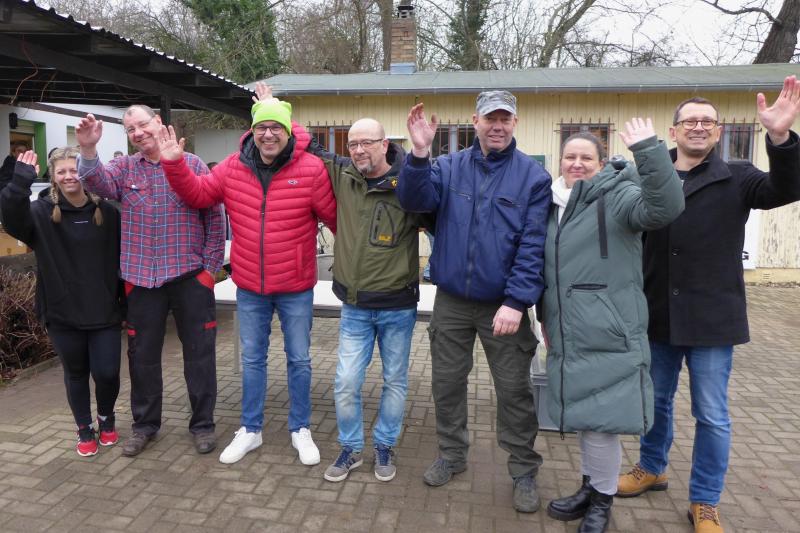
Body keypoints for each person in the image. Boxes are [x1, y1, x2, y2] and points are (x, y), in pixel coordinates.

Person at [617, 76, 800, 533]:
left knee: (712, 416)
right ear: (673, 131)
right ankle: (651, 467)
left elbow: (785, 188)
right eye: (689, 121)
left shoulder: (738, 176)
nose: (698, 127)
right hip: (657, 312)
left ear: (717, 132)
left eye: (707, 122)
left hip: (713, 320)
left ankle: (705, 501)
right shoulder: (648, 174)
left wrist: (780, 138)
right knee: (655, 403)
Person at [156, 97, 337, 466]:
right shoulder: (232, 167)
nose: (268, 134)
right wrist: (174, 163)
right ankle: (251, 429)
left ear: (288, 131)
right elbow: (198, 194)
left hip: (295, 286)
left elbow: (336, 220)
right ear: (252, 131)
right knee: (253, 360)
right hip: (251, 285)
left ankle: (300, 428)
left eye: (276, 127)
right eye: (261, 127)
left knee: (299, 359)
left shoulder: (312, 169)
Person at [396, 90, 551, 512]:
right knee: (447, 383)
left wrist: (517, 302)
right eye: (490, 118)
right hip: (452, 302)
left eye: (505, 119)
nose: (497, 126)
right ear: (475, 121)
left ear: (515, 123)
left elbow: (533, 246)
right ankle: (451, 454)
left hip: (504, 305)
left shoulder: (532, 178)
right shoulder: (447, 167)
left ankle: (523, 470)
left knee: (514, 390)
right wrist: (419, 153)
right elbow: (413, 201)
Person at [541, 124, 684, 532]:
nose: (577, 164)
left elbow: (664, 207)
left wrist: (648, 150)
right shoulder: (553, 202)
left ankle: (603, 502)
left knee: (602, 423)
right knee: (586, 418)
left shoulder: (619, 196)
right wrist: (544, 316)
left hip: (609, 330)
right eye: (570, 157)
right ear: (560, 162)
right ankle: (591, 488)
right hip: (568, 329)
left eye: (586, 157)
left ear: (602, 164)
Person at [75, 106, 225, 457]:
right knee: (142, 358)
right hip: (142, 280)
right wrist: (87, 148)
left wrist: (209, 271)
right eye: (131, 129)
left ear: (159, 123)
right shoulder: (124, 168)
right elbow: (96, 182)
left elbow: (215, 218)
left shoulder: (193, 165)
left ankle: (203, 425)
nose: (138, 133)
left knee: (200, 356)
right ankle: (144, 425)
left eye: (143, 124)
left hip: (190, 277)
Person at [301, 116, 429, 483]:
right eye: (352, 143)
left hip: (397, 306)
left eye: (366, 143)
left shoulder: (409, 183)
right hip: (355, 306)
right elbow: (308, 144)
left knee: (395, 381)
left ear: (384, 144)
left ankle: (385, 446)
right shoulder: (344, 174)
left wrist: (422, 153)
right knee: (345, 382)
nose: (358, 150)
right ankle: (352, 448)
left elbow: (435, 211)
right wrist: (270, 106)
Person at [0, 147, 123, 457]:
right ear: (54, 178)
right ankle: (84, 428)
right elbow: (11, 220)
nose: (70, 176)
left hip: (104, 310)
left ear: (86, 173)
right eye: (62, 171)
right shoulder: (39, 214)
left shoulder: (108, 213)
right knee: (76, 373)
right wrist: (19, 183)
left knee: (107, 372)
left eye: (75, 170)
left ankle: (106, 417)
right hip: (62, 312)